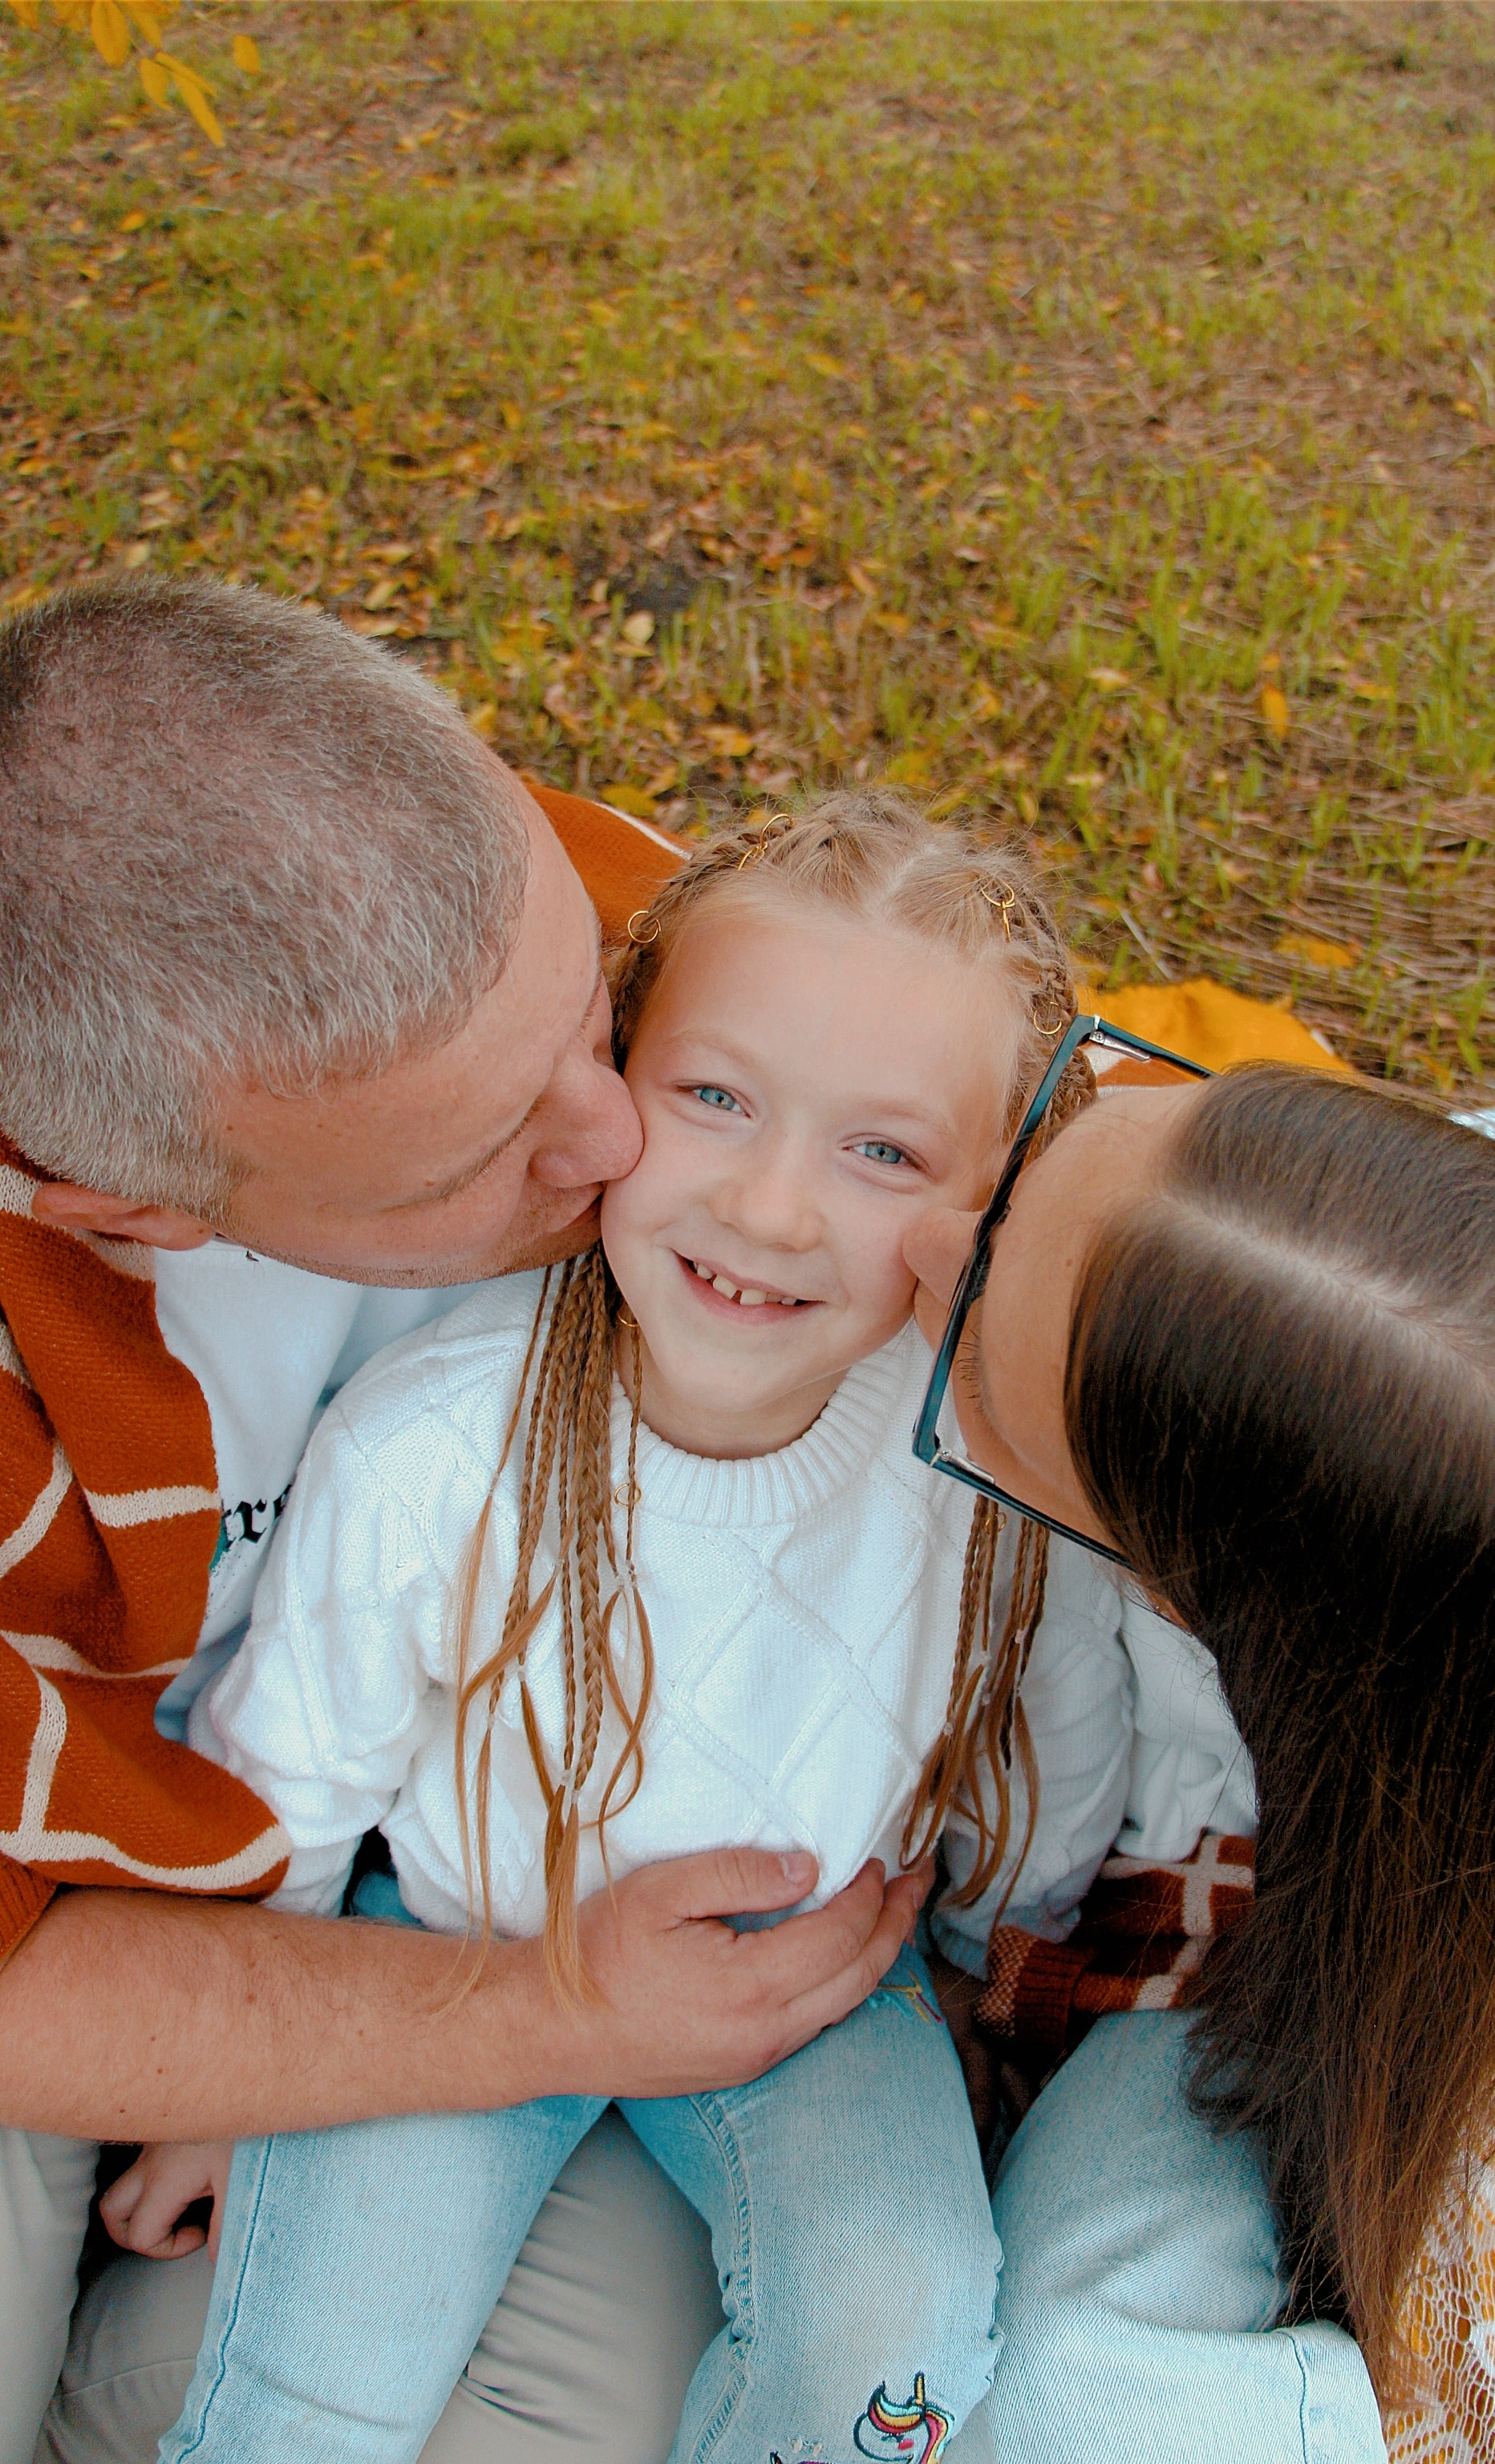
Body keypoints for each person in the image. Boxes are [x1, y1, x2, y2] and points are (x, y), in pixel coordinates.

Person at [114, 798, 1197, 2464]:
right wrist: (229, 2082)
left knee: (891, 2345)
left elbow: (1045, 1731)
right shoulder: (430, 1445)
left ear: (992, 1198)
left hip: (825, 1986)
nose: (767, 1210)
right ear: (614, 1067)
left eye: (882, 1153)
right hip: (451, 1951)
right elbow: (300, 1760)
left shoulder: (973, 1470)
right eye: (713, 1099)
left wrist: (1001, 1981)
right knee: (308, 2392)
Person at [0, 582, 923, 2464]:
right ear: (116, 1208)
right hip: (89, 1960)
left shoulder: (598, 928)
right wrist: (549, 2014)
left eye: (592, 1013)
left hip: (457, 1890)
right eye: (479, 1155)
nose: (620, 1140)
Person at [899, 1047, 1495, 2464]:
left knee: (1080, 2389)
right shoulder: (1421, 1298)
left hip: (1325, 1984)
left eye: (975, 1365)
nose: (927, 1235)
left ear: (1189, 1608)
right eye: (1074, 1122)